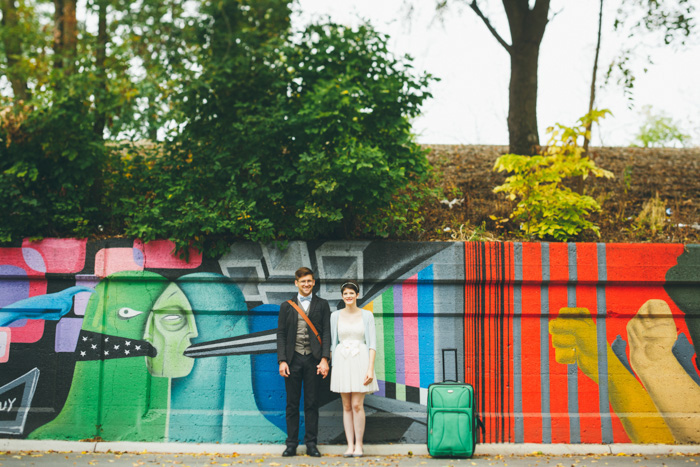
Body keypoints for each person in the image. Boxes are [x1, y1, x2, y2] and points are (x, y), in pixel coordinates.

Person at [276, 267, 331, 457]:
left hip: (313, 359)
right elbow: (281, 334)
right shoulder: (286, 306)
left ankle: (311, 444)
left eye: (309, 281)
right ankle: (291, 444)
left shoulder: (322, 305)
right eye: (303, 281)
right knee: (292, 403)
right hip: (293, 359)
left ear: (313, 282)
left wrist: (324, 359)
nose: (306, 284)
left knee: (312, 403)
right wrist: (282, 361)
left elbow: (326, 333)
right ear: (296, 283)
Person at [329, 280, 378, 457]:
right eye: (345, 294)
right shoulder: (335, 316)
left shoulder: (367, 316)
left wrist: (370, 369)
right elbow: (333, 343)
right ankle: (349, 445)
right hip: (342, 361)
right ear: (342, 296)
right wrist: (333, 365)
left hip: (360, 360)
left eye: (351, 293)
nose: (348, 296)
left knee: (357, 404)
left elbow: (372, 343)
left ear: (357, 295)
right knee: (346, 405)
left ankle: (359, 444)